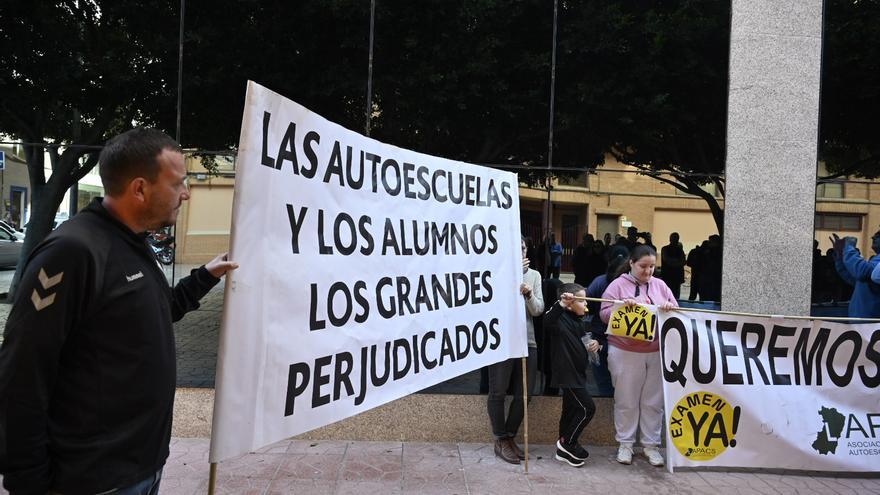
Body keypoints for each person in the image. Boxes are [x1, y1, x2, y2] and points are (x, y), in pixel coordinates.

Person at [0, 128, 238, 494]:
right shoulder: (73, 251)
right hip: (91, 479)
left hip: (141, 468)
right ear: (140, 189)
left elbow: (156, 311)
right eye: (178, 184)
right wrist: (27, 480)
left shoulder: (134, 242)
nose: (187, 194)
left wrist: (205, 276)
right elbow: (22, 372)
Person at [600, 245, 677, 467]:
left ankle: (651, 446)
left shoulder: (661, 286)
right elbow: (604, 314)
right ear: (632, 263)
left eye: (652, 267)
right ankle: (625, 444)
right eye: (643, 266)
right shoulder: (617, 285)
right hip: (625, 351)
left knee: (653, 402)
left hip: (655, 351)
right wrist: (622, 308)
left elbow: (676, 311)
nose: (648, 271)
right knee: (626, 400)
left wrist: (669, 307)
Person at [487, 236, 544, 464]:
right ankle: (500, 438)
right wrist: (512, 277)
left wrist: (529, 294)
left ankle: (510, 436)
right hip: (501, 339)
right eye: (515, 249)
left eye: (522, 248)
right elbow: (492, 303)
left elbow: (538, 309)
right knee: (498, 391)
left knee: (525, 394)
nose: (520, 253)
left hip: (527, 341)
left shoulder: (535, 275)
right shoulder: (496, 272)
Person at [545, 283, 598, 468]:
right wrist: (560, 304)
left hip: (578, 373)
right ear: (569, 302)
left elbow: (586, 343)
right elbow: (548, 320)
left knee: (570, 411)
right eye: (582, 301)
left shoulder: (578, 321)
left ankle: (563, 452)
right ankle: (568, 442)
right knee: (587, 409)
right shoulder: (559, 319)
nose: (586, 305)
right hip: (567, 374)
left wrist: (594, 345)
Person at [585, 252, 629, 397]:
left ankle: (606, 406)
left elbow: (588, 306)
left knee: (604, 382)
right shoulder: (630, 286)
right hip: (620, 340)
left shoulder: (599, 281)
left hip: (600, 336)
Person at [831, 231, 880, 318]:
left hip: (871, 321)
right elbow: (855, 279)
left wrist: (849, 247)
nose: (872, 238)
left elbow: (861, 271)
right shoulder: (876, 260)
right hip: (862, 319)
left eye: (878, 236)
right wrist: (840, 256)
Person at [659, 232, 686, 299]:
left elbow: (683, 261)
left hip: (675, 276)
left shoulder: (679, 250)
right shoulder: (665, 249)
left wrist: (674, 262)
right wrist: (678, 263)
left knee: (676, 295)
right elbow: (667, 260)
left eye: (676, 238)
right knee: (667, 294)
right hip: (668, 275)